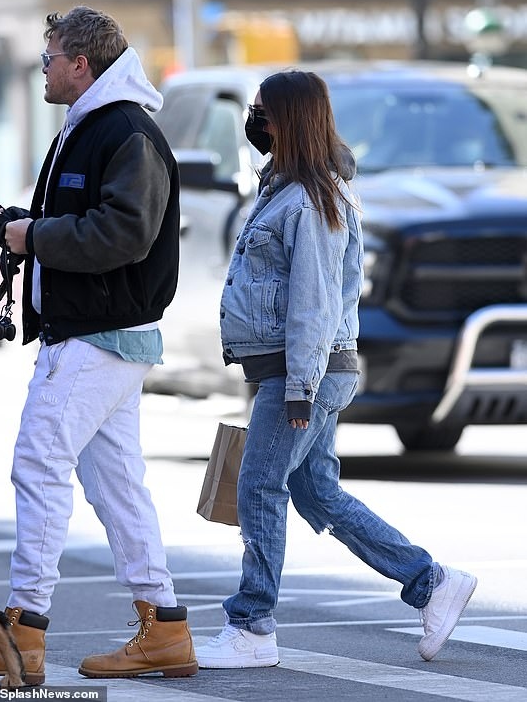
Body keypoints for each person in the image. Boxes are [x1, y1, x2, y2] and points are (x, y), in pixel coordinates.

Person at [0, 6, 197, 683]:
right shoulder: (96, 125)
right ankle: (163, 628)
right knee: (116, 486)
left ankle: (22, 635)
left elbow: (124, 234)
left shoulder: (124, 129)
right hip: (101, 334)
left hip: (96, 338)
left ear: (81, 62)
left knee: (38, 465)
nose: (43, 68)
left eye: (49, 58)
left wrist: (35, 237)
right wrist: (10, 225)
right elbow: (81, 223)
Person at [194, 70, 477, 669]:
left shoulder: (314, 198)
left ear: (289, 121)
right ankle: (431, 582)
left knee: (259, 486)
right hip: (302, 371)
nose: (253, 123)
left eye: (261, 113)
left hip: (307, 373)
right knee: (315, 491)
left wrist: (299, 388)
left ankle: (252, 627)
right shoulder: (284, 190)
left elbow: (314, 303)